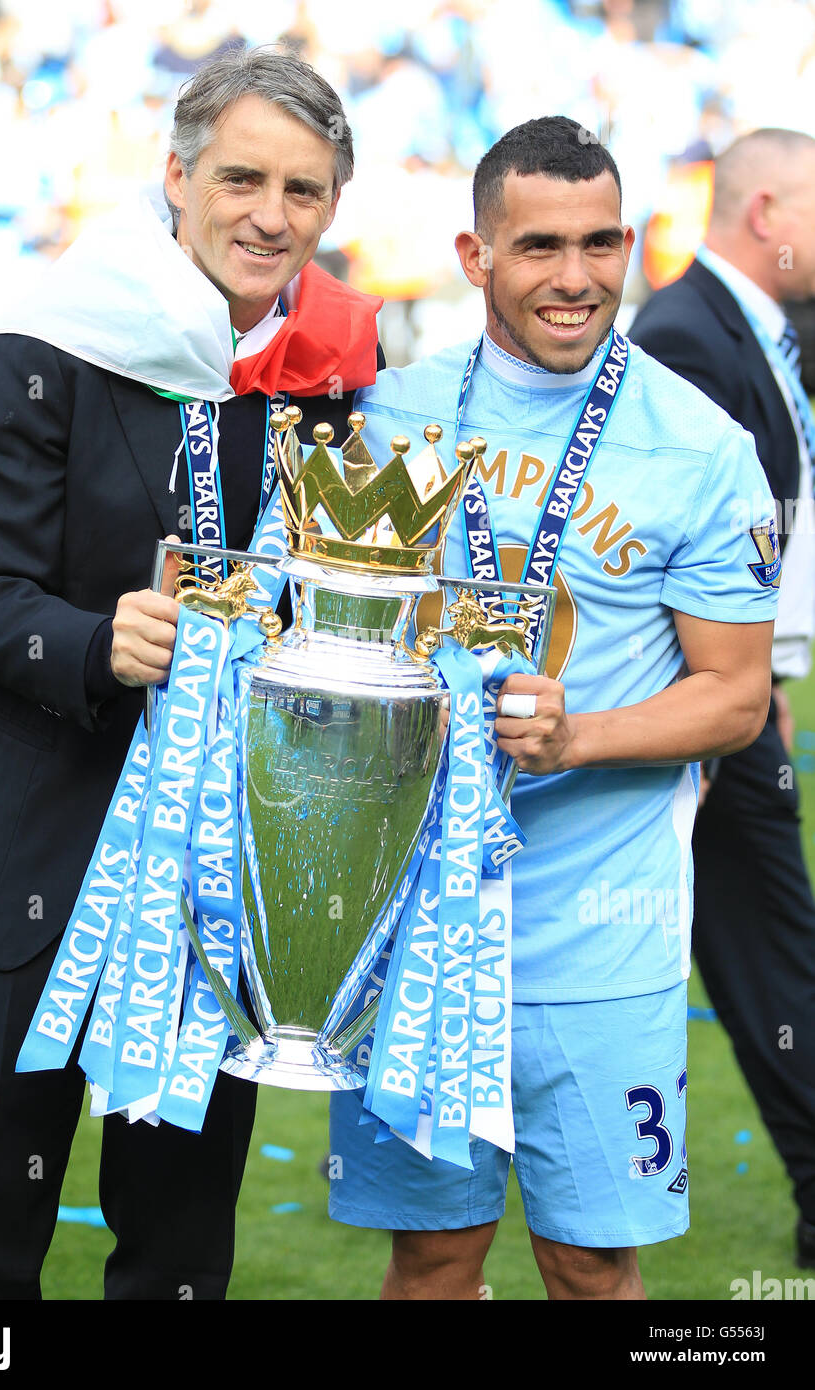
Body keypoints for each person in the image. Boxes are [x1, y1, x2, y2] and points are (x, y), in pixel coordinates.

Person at [0, 46, 382, 1300]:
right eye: (241, 178)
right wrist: (93, 643)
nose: (270, 216)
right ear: (174, 176)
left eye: (305, 190)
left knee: (176, 1252)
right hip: (26, 855)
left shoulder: (323, 379)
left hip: (211, 874)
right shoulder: (42, 344)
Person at [327, 115, 777, 1300]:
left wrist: (577, 736)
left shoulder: (700, 446)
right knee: (430, 1258)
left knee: (587, 1265)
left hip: (597, 942)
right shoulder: (388, 415)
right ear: (475, 257)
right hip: (412, 928)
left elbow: (733, 701)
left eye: (598, 243)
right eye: (536, 247)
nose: (572, 278)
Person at [631, 128, 815, 1269]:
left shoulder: (759, 327)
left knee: (762, 945)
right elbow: (674, 547)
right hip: (689, 709)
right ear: (765, 215)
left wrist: (769, 677)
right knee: (763, 943)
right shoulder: (680, 335)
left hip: (734, 695)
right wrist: (717, 702)